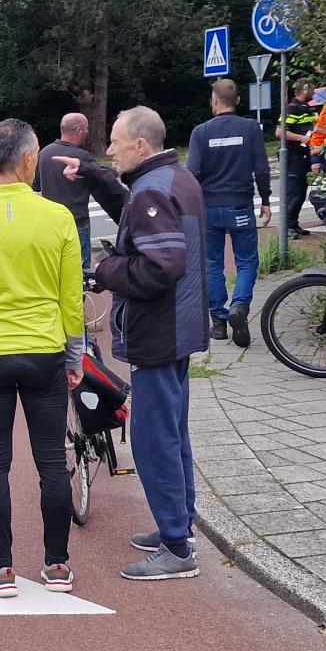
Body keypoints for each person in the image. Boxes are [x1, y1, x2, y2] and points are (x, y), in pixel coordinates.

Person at [0, 119, 86, 598]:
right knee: (51, 461)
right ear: (29, 160)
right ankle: (57, 566)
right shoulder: (58, 219)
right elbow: (71, 297)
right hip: (45, 350)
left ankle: (1, 568)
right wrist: (75, 354)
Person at [94, 106, 207, 581]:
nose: (109, 148)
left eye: (116, 141)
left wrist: (107, 270)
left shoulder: (151, 192)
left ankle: (177, 548)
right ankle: (179, 524)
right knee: (173, 431)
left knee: (152, 438)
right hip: (180, 327)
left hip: (158, 331)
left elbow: (160, 266)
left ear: (140, 144)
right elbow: (157, 239)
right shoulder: (178, 178)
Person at [187, 79, 273, 348]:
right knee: (246, 261)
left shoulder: (200, 132)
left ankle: (219, 323)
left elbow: (193, 172)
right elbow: (261, 167)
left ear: (214, 101)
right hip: (240, 205)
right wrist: (266, 200)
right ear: (237, 101)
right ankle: (240, 305)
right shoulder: (250, 128)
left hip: (209, 207)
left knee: (212, 263)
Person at [36, 113, 130, 270]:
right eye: (86, 128)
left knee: (54, 268)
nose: (87, 132)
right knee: (81, 272)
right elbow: (101, 177)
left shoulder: (44, 153)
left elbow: (36, 186)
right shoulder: (80, 156)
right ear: (79, 130)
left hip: (50, 224)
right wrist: (117, 170)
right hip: (77, 223)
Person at [277, 79, 318, 238]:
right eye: (312, 89)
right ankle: (287, 227)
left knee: (301, 192)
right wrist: (302, 138)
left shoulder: (307, 108)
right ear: (305, 90)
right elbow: (280, 132)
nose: (313, 92)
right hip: (294, 157)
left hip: (305, 157)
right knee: (293, 192)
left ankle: (293, 224)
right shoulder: (292, 108)